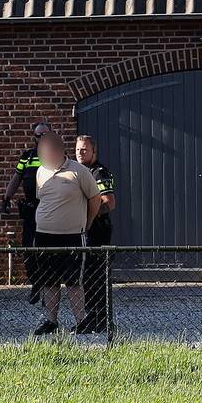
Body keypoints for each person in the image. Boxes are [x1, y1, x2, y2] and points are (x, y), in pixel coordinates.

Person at [32, 132, 101, 335]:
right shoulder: (40, 172)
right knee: (49, 280)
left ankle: (82, 321)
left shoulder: (78, 171)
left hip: (71, 236)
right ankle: (51, 321)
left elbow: (95, 198)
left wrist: (86, 224)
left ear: (60, 150)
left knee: (73, 281)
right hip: (44, 235)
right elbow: (42, 199)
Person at [2, 122, 51, 304]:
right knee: (28, 249)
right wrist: (6, 197)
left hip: (50, 209)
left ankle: (48, 289)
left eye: (45, 134)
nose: (42, 138)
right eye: (38, 135)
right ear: (34, 137)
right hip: (31, 210)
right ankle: (36, 284)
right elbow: (17, 178)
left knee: (47, 250)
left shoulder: (57, 156)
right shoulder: (27, 157)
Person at [75, 135, 116, 333]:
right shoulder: (79, 172)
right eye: (77, 150)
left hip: (98, 231)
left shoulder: (99, 172)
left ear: (94, 152)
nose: (80, 153)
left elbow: (109, 202)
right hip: (85, 230)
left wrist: (88, 216)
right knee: (87, 276)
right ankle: (92, 317)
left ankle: (100, 319)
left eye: (84, 150)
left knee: (96, 276)